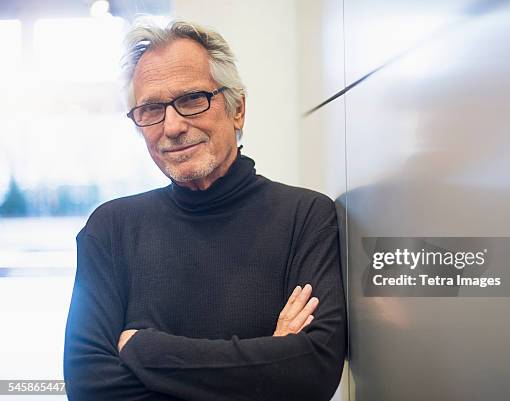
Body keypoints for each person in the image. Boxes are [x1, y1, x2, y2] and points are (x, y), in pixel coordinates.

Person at [63, 19, 346, 401]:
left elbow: (311, 372)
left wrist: (144, 349)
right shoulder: (111, 229)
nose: (173, 126)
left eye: (192, 99)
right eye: (151, 109)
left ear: (237, 110)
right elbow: (90, 387)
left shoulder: (306, 217)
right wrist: (265, 364)